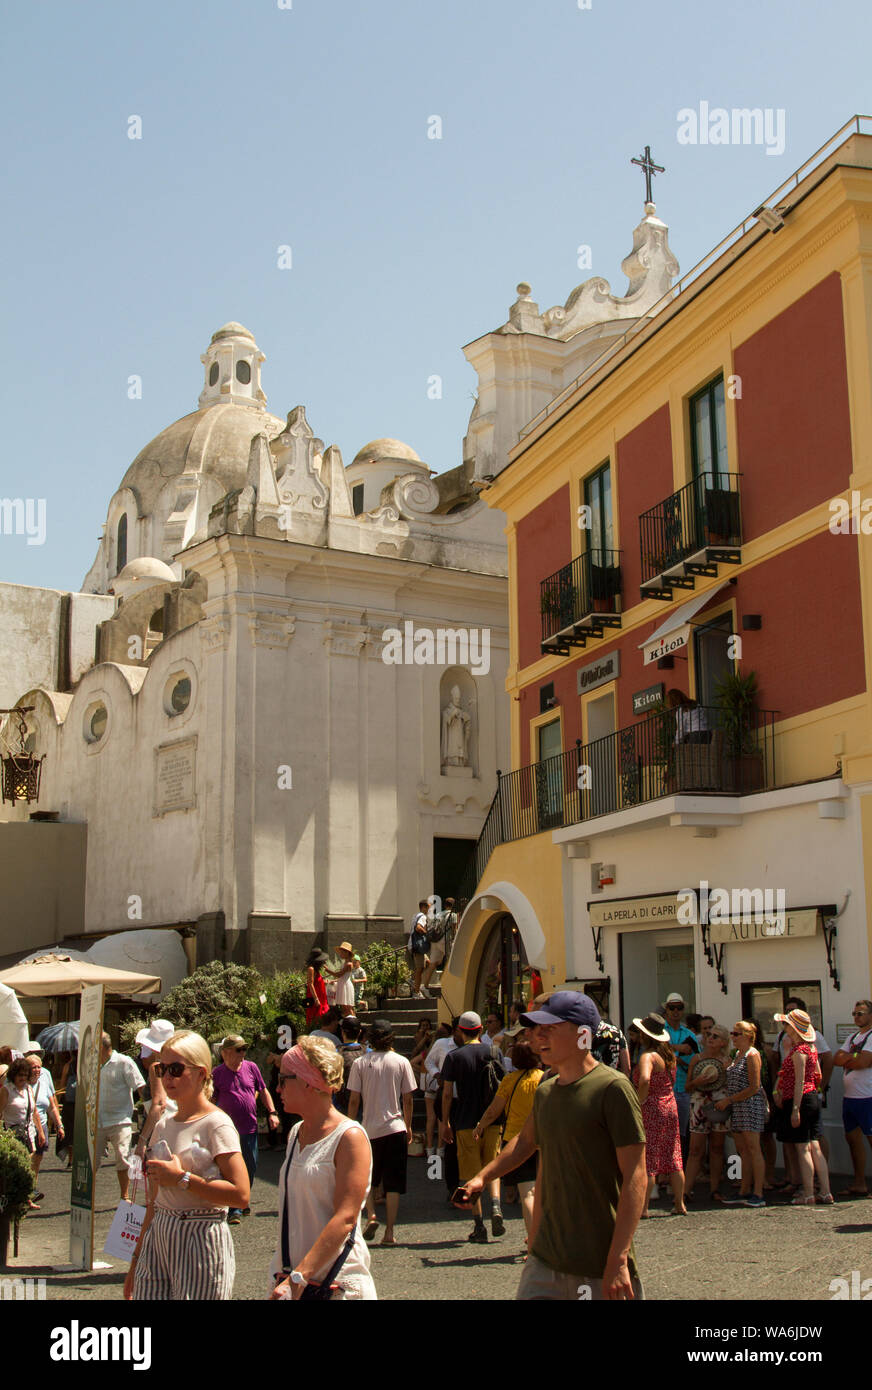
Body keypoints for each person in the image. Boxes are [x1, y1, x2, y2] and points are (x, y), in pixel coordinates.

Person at [459, 991, 647, 1300]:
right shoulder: (546, 1091)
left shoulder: (613, 1089)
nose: (537, 1037)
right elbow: (525, 1143)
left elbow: (636, 1177)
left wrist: (619, 1259)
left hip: (599, 1260)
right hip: (546, 1260)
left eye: (550, 1029)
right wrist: (483, 1177)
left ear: (583, 1034)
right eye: (536, 1029)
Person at [124, 1030, 249, 1301]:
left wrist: (182, 1179)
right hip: (160, 1232)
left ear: (201, 1073)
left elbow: (241, 1194)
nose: (167, 1077)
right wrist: (135, 1259)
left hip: (200, 1234)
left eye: (176, 1069)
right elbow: (154, 1201)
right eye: (161, 1069)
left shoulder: (216, 1124)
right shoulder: (164, 1124)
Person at [270, 1036, 376, 1300]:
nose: (277, 1088)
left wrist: (299, 1276)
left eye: (283, 1079)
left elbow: (346, 1217)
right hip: (294, 1281)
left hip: (334, 1284)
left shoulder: (349, 1137)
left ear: (307, 1082)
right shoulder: (296, 1133)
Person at [347, 1019, 416, 1246]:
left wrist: (349, 1124)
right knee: (394, 1182)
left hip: (369, 1128)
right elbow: (407, 1098)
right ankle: (390, 1232)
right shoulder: (402, 1062)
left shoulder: (360, 1063)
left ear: (369, 1038)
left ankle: (372, 1215)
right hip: (395, 1127)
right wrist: (409, 1125)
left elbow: (354, 1099)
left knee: (369, 1177)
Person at [440, 1011, 505, 1243]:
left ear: (460, 1031)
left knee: (472, 1173)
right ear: (480, 1030)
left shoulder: (454, 1057)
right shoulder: (494, 1052)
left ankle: (479, 1225)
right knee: (493, 1165)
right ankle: (496, 1206)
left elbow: (447, 1094)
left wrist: (445, 1122)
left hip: (465, 1121)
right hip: (492, 1120)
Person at [472, 1040, 543, 1248]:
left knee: (527, 1193)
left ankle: (533, 1244)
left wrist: (480, 1126)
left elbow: (494, 1109)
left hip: (516, 1141)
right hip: (544, 1140)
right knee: (544, 1195)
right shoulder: (544, 1078)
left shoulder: (510, 1080)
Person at [212, 1033, 280, 1224]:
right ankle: (235, 1208)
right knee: (231, 1168)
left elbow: (263, 1090)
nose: (243, 1053)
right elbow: (211, 1099)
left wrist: (272, 1112)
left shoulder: (251, 1067)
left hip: (249, 1128)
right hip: (227, 1130)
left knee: (250, 1166)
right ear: (225, 1053)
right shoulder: (217, 1074)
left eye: (244, 1049)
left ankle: (243, 1197)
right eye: (238, 1049)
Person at [773, 1008, 832, 1205]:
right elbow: (818, 1075)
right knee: (815, 1146)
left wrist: (796, 1108)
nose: (785, 1028)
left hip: (801, 1098)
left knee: (803, 1148)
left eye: (787, 1024)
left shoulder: (799, 1052)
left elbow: (799, 1081)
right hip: (812, 1096)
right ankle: (824, 1191)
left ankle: (808, 1193)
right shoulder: (812, 1048)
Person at [632, 1014, 685, 1217]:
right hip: (669, 1105)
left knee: (649, 1158)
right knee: (673, 1155)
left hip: (652, 1106)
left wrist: (639, 1101)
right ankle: (679, 1203)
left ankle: (643, 1208)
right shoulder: (668, 1055)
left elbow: (644, 1079)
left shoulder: (647, 1056)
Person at [718, 1020, 767, 1206]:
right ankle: (744, 1189)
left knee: (754, 1148)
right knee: (743, 1150)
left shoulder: (752, 1055)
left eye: (736, 1034)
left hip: (749, 1105)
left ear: (747, 1036)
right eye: (732, 1033)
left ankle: (758, 1192)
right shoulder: (737, 1054)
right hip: (738, 1106)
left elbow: (754, 1086)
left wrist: (729, 1100)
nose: (733, 1037)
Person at [683, 1025, 731, 1203]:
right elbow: (687, 1087)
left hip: (720, 1103)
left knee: (717, 1148)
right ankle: (686, 1191)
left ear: (723, 1043)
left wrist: (727, 1070)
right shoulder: (697, 1059)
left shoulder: (727, 1060)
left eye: (715, 1036)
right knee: (696, 1150)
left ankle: (715, 1189)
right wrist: (698, 1080)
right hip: (699, 1104)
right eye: (709, 1034)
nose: (710, 1038)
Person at [97, 1032, 147, 1202]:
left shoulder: (124, 1062)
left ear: (102, 1047)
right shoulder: (92, 1064)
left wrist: (147, 1109)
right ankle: (86, 1195)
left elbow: (140, 1086)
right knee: (91, 1159)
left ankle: (124, 1195)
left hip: (120, 1119)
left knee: (123, 1157)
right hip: (97, 1119)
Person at [832, 998, 872, 1196]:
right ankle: (859, 1182)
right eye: (854, 1014)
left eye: (860, 1013)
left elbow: (864, 1062)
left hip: (868, 1096)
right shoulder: (853, 1037)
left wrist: (849, 1059)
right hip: (850, 1097)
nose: (856, 1017)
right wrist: (851, 1059)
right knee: (852, 1140)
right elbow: (836, 1058)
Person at [1, 1058, 45, 1208]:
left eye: (25, 1075)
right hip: (12, 1134)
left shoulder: (28, 1089)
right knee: (17, 1168)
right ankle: (15, 1200)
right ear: (14, 1074)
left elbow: (34, 1113)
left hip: (28, 1134)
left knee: (28, 1167)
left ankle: (26, 1198)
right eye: (20, 1074)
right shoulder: (6, 1090)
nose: (23, 1078)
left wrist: (41, 1132)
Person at [662, 994, 699, 1159]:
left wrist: (671, 1056)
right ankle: (664, 1174)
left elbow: (696, 1060)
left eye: (679, 1008)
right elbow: (655, 1051)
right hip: (663, 1089)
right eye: (672, 1007)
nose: (676, 1011)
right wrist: (677, 1050)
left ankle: (678, 1170)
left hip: (683, 1087)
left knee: (682, 1133)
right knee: (663, 1132)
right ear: (666, 1009)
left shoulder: (689, 1034)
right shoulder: (659, 1030)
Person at [133, 1019, 175, 1159]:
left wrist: (142, 1140)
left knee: (157, 1176)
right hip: (179, 1123)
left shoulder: (157, 1067)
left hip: (161, 1128)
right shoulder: (181, 1064)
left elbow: (159, 1104)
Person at [28, 1052, 63, 1200]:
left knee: (37, 1159)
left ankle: (32, 1190)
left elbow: (52, 1106)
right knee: (29, 1159)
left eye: (39, 1067)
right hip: (28, 1127)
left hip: (42, 1125)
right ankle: (26, 1191)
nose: (37, 1070)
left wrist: (59, 1124)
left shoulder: (44, 1078)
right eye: (33, 1067)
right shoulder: (23, 1083)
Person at [421, 897, 456, 996]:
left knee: (433, 963)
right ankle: (448, 984)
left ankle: (425, 985)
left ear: (445, 905)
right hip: (445, 940)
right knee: (450, 961)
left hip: (435, 941)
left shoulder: (438, 914)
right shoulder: (452, 915)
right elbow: (454, 929)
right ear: (453, 906)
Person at [324, 942, 357, 1017]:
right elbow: (342, 976)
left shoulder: (349, 964)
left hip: (346, 986)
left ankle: (354, 1024)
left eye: (342, 952)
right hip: (342, 984)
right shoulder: (346, 962)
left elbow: (339, 974)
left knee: (348, 1008)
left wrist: (327, 970)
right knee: (344, 1008)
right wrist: (335, 981)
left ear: (347, 953)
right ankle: (348, 1024)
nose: (340, 954)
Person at [407, 900, 431, 999]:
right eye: (428, 908)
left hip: (413, 945)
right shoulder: (423, 917)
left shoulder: (415, 915)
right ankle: (416, 992)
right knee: (419, 969)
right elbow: (418, 928)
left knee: (428, 963)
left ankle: (413, 979)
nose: (429, 910)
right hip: (418, 946)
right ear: (424, 907)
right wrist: (426, 933)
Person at [304, 949, 330, 1028]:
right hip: (314, 997)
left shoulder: (316, 970)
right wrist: (316, 999)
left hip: (320, 997)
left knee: (320, 1016)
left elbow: (316, 982)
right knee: (314, 1017)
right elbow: (310, 984)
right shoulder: (311, 969)